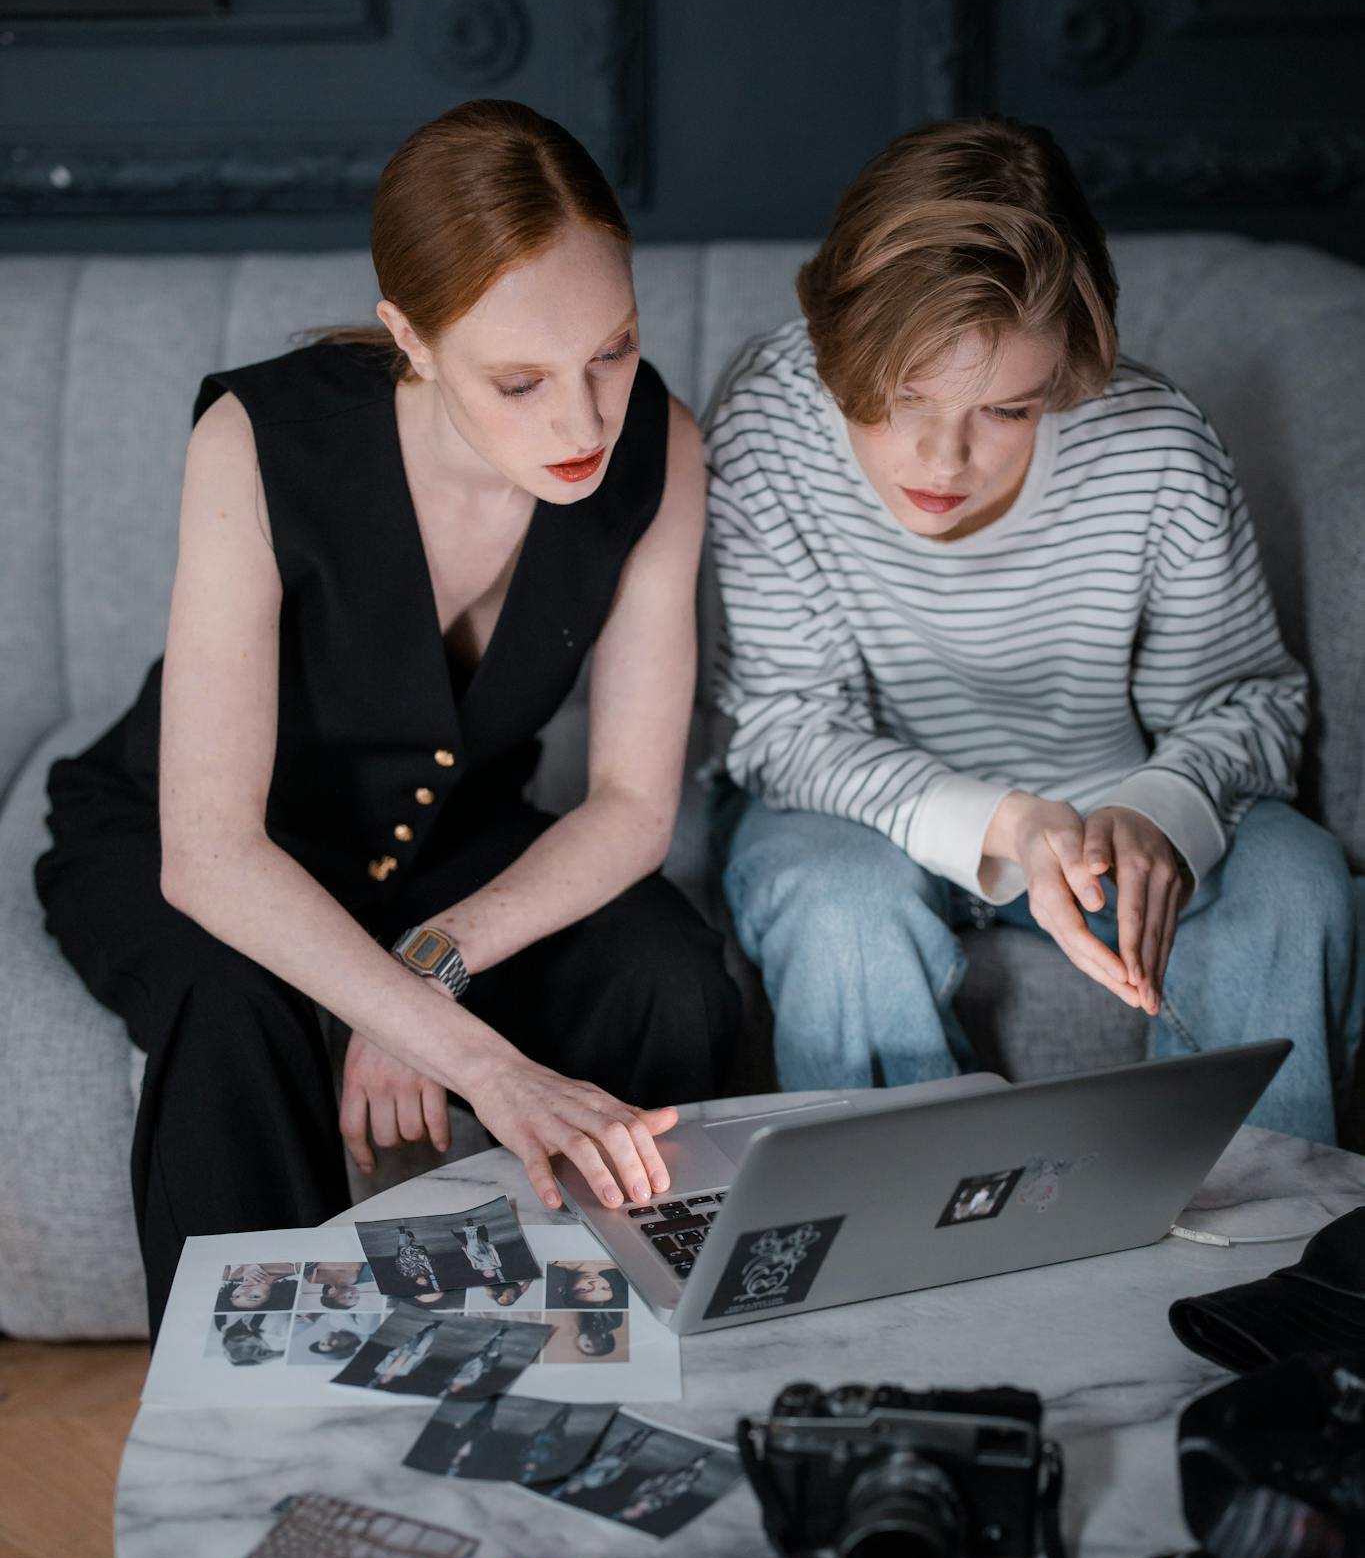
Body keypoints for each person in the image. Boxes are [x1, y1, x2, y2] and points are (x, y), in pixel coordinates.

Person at [33, 99, 739, 1337]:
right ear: (409, 335)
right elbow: (208, 853)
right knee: (230, 1003)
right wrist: (463, 1049)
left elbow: (631, 805)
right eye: (519, 380)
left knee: (664, 969)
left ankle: (641, 1339)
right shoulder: (257, 439)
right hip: (192, 834)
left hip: (449, 846)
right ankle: (250, 1417)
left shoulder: (661, 445)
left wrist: (432, 960)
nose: (582, 423)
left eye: (612, 352)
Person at [708, 116, 1364, 1144]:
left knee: (1295, 881)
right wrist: (1005, 822)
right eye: (899, 396)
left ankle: (1255, 1272)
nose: (942, 459)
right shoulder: (769, 411)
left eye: (1006, 411)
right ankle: (894, 1254)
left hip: (1106, 807)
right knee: (838, 910)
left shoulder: (1158, 446)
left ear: (1065, 370)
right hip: (852, 820)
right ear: (836, 344)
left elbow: (1249, 700)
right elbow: (782, 724)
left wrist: (1164, 806)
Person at [215, 1263, 299, 1314]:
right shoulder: (299, 1270)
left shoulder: (231, 1274)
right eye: (254, 1297)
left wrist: (246, 1265)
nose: (243, 1291)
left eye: (236, 1296)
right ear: (274, 1297)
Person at [545, 1260, 628, 1309]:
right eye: (604, 1288)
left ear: (563, 1290)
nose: (595, 1282)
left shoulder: (550, 1260)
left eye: (584, 1290)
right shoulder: (619, 1261)